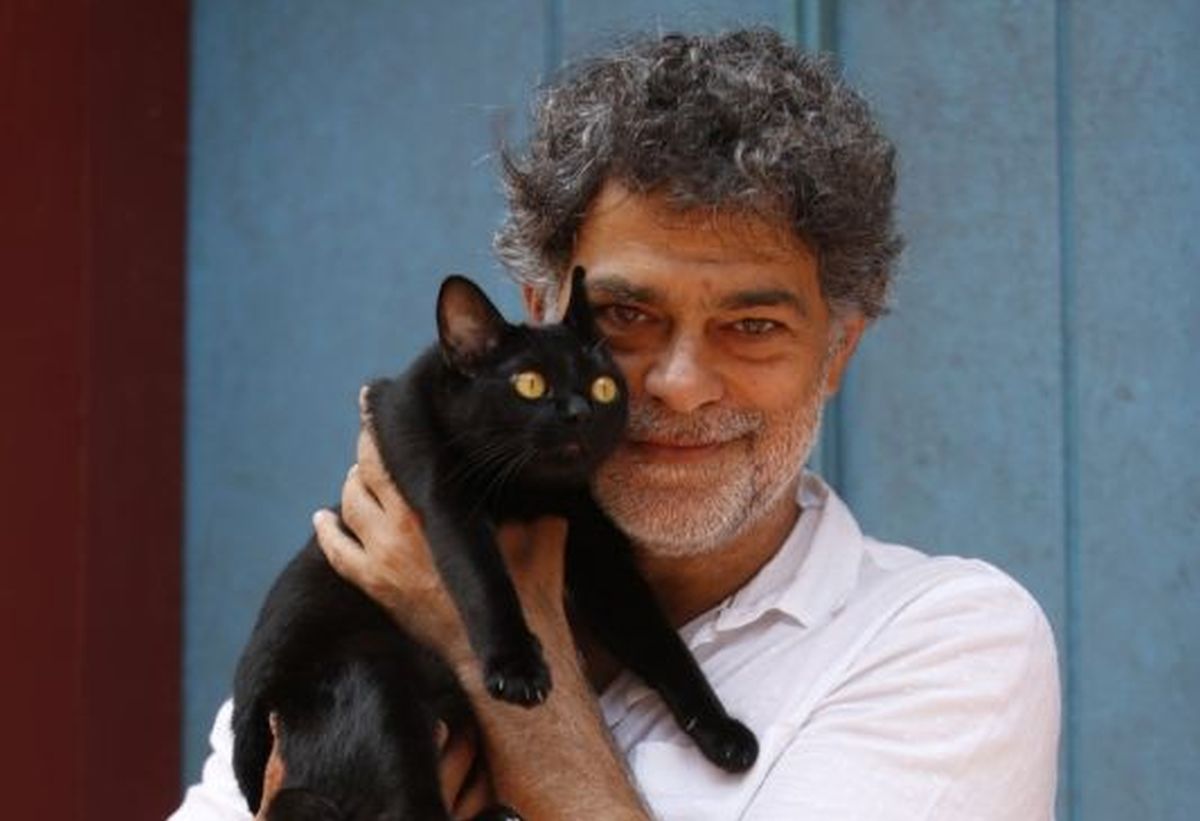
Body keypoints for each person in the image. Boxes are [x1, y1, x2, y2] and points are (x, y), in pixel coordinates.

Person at [172, 28, 1060, 820]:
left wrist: (474, 632)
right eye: (628, 316)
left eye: (753, 326)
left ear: (836, 353)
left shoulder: (945, 643)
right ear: (539, 316)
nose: (679, 386)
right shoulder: (362, 599)